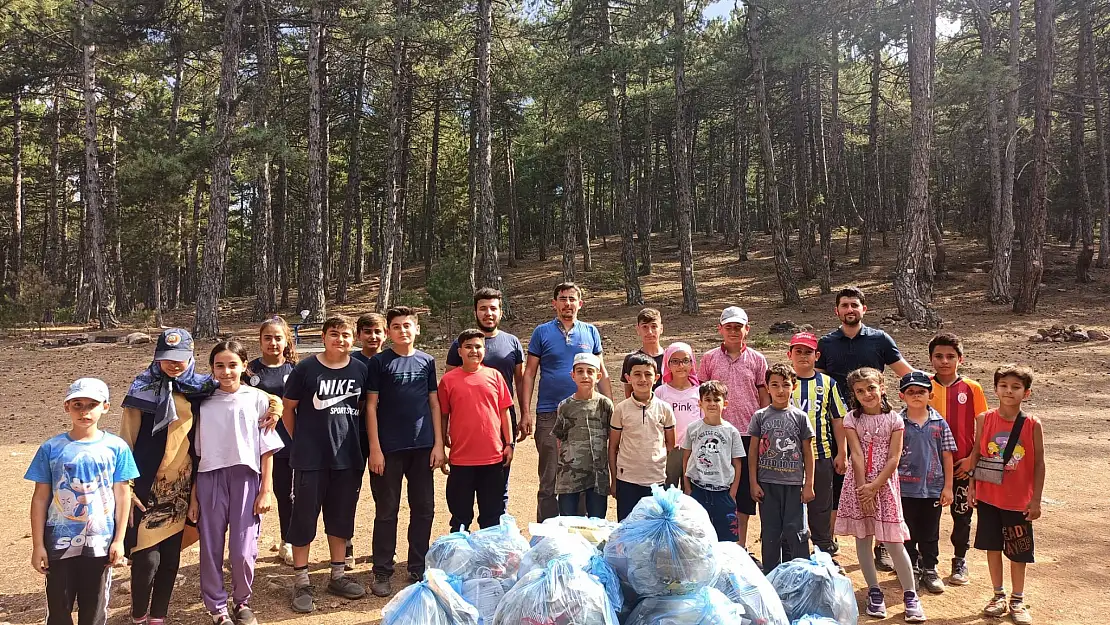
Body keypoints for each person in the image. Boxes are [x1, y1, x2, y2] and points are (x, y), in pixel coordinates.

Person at [120, 329, 219, 625]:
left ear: (191, 356)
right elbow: (126, 440)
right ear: (157, 357)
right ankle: (138, 616)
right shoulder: (141, 388)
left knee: (171, 559)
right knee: (145, 560)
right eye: (167, 359)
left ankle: (158, 617)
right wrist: (126, 485)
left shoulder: (201, 388)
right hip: (146, 485)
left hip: (181, 487)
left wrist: (275, 407)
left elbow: (244, 390)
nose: (173, 365)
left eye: (179, 359)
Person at [26, 378, 139, 625]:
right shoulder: (51, 448)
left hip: (100, 542)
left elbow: (122, 495)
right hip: (59, 542)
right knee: (59, 609)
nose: (84, 411)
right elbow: (40, 498)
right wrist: (37, 545)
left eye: (92, 404)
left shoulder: (116, 448)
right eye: (77, 404)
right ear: (67, 406)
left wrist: (120, 541)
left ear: (105, 407)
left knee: (94, 610)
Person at [816, 287, 912, 571]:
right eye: (844, 305)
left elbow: (905, 373)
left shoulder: (880, 339)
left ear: (863, 309)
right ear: (837, 311)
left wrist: (932, 391)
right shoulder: (827, 342)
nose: (850, 310)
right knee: (837, 480)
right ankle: (829, 541)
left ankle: (881, 545)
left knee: (881, 483)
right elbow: (815, 379)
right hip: (838, 423)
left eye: (854, 305)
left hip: (877, 424)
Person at [190, 341, 284, 625]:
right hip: (210, 477)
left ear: (245, 366)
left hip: (246, 477)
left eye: (233, 365)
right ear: (211, 369)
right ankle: (217, 607)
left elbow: (266, 447)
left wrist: (266, 489)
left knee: (244, 549)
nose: (226, 371)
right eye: (220, 365)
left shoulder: (258, 399)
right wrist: (194, 497)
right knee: (211, 547)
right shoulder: (202, 401)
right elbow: (195, 453)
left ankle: (242, 601)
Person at [281, 316, 368, 612]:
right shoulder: (306, 369)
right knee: (304, 519)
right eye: (334, 334)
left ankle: (338, 575)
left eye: (346, 335)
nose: (340, 340)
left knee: (341, 519)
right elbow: (288, 409)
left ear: (352, 338)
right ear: (323, 336)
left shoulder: (360, 369)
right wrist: (301, 440)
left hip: (347, 459)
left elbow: (363, 408)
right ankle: (302, 581)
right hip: (310, 459)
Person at [365, 306, 445, 598]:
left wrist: (439, 443)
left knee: (423, 509)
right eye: (396, 326)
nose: (402, 331)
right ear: (388, 332)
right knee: (387, 511)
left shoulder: (427, 361)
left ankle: (418, 566)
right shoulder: (380, 363)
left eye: (407, 326)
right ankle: (382, 570)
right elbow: (370, 407)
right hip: (389, 449)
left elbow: (434, 404)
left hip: (422, 447)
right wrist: (375, 449)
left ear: (417, 329)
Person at [835, 368, 924, 622]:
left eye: (871, 388)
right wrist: (864, 492)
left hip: (885, 485)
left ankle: (910, 596)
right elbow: (857, 455)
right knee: (863, 538)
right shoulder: (851, 418)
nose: (867, 394)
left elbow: (894, 457)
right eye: (860, 391)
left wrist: (875, 487)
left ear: (882, 387)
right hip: (858, 485)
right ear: (854, 393)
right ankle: (874, 592)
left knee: (895, 542)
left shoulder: (895, 419)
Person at [522, 282, 612, 522]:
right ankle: (547, 538)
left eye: (572, 299)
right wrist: (526, 412)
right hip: (550, 413)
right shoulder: (542, 332)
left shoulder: (590, 332)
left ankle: (580, 535)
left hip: (588, 413)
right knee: (550, 476)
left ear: (580, 304)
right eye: (562, 299)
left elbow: (601, 371)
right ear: (554, 303)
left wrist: (612, 414)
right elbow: (529, 373)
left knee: (584, 475)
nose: (567, 303)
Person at [967, 365, 1043, 625]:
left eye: (1016, 387)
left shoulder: (1032, 424)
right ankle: (997, 595)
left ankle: (1017, 599)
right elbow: (976, 453)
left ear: (1027, 392)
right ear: (996, 389)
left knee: (1018, 551)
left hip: (1018, 500)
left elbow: (1039, 464)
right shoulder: (984, 419)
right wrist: (972, 487)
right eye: (1003, 386)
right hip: (989, 496)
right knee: (992, 546)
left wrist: (1036, 499)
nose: (1009, 391)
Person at [445, 288, 526, 509]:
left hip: (502, 416)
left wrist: (525, 414)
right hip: (467, 421)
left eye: (493, 308)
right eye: (483, 308)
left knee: (499, 478)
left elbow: (520, 381)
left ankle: (496, 525)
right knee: (465, 482)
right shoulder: (460, 343)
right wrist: (447, 426)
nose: (488, 313)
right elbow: (450, 383)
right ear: (475, 312)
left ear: (500, 311)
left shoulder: (512, 342)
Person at [699, 306, 768, 549]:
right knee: (716, 486)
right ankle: (713, 544)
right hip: (715, 433)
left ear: (747, 329)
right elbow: (703, 394)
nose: (733, 331)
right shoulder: (709, 358)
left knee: (743, 494)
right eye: (728, 327)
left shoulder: (758, 359)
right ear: (720, 329)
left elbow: (763, 394)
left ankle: (740, 547)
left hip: (748, 433)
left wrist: (765, 427)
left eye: (738, 327)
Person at [927, 332, 988, 586]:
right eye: (939, 356)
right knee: (927, 516)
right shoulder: (924, 385)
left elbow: (983, 425)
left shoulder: (972, 388)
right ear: (931, 359)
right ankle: (925, 561)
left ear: (960, 359)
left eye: (950, 356)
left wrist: (972, 459)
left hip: (962, 464)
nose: (944, 361)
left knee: (962, 514)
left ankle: (959, 559)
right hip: (929, 466)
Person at [439, 329, 514, 531]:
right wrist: (441, 447)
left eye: (478, 346)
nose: (474, 351)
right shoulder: (448, 380)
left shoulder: (495, 376)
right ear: (460, 351)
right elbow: (443, 415)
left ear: (485, 350)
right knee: (460, 517)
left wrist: (509, 443)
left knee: (491, 517)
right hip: (461, 459)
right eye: (468, 347)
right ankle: (459, 556)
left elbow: (504, 413)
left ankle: (489, 559)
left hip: (492, 458)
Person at [748, 364, 815, 573]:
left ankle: (801, 575)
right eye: (774, 385)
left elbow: (807, 452)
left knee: (796, 530)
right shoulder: (760, 416)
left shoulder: (800, 417)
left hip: (794, 484)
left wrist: (809, 484)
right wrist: (753, 482)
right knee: (770, 532)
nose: (780, 390)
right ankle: (771, 576)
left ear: (793, 387)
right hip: (767, 484)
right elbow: (753, 452)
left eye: (785, 385)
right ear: (767, 387)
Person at [786, 331, 847, 557]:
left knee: (820, 505)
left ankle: (824, 550)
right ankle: (791, 551)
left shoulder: (828, 384)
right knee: (789, 505)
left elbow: (838, 420)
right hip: (787, 457)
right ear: (789, 354)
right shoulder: (782, 382)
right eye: (798, 351)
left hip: (821, 453)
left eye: (808, 352)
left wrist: (842, 453)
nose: (803, 356)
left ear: (817, 355)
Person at [896, 371, 956, 596]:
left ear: (930, 395)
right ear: (902, 396)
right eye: (910, 392)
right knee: (907, 531)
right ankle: (910, 568)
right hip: (904, 488)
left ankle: (930, 569)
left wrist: (948, 486)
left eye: (921, 391)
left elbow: (947, 454)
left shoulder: (939, 423)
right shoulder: (897, 423)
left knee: (930, 531)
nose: (916, 396)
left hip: (932, 488)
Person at [246, 318, 297, 567]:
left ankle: (288, 541)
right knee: (250, 494)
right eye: (268, 337)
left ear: (286, 340)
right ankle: (246, 544)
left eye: (278, 337)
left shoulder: (296, 369)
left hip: (285, 442)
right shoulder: (249, 371)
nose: (273, 342)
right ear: (260, 340)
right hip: (252, 444)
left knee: (285, 493)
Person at [608, 353, 675, 521]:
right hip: (627, 479)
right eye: (637, 374)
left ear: (657, 377)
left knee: (654, 528)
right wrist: (614, 480)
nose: (643, 379)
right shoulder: (621, 409)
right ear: (628, 378)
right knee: (627, 525)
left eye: (648, 374)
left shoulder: (665, 409)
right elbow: (613, 447)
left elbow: (670, 444)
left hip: (656, 479)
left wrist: (656, 463)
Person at [681, 380, 744, 542]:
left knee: (725, 538)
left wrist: (733, 492)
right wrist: (688, 487)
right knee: (697, 536)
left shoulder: (731, 432)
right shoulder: (693, 428)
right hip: (698, 489)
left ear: (725, 403)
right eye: (707, 400)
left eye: (717, 400)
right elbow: (687, 457)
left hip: (723, 491)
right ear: (700, 403)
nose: (712, 404)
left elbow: (737, 463)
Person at [348, 312, 387, 570]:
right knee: (348, 493)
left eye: (377, 331)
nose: (373, 337)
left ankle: (382, 548)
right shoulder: (350, 362)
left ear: (385, 334)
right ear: (358, 335)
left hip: (385, 438)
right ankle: (346, 545)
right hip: (351, 436)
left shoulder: (390, 361)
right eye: (367, 331)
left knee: (383, 495)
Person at [553, 353, 614, 518]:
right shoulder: (565, 406)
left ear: (598, 376)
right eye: (580, 371)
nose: (585, 376)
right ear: (572, 375)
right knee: (568, 521)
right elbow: (560, 439)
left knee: (597, 521)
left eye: (590, 371)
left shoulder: (605, 405)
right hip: (569, 474)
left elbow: (613, 437)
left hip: (597, 475)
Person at [655, 342, 701, 487]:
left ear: (692, 363)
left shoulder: (699, 392)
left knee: (692, 490)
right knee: (669, 488)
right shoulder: (661, 392)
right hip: (670, 450)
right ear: (668, 364)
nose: (681, 365)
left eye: (685, 360)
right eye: (675, 361)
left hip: (693, 449)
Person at [620, 307, 665, 397]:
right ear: (638, 329)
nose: (649, 332)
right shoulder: (631, 359)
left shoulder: (670, 358)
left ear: (661, 329)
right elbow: (629, 394)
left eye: (654, 326)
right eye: (645, 327)